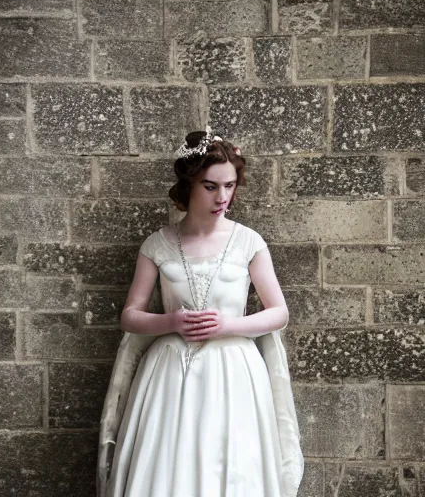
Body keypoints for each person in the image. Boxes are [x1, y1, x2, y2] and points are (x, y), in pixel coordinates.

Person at [97, 128, 304, 497]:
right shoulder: (157, 244)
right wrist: (171, 322)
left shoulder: (249, 242)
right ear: (189, 185)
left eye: (230, 185)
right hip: (170, 372)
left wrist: (229, 325)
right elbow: (130, 315)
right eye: (211, 186)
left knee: (233, 465)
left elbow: (279, 313)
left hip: (235, 371)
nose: (223, 197)